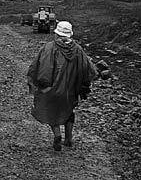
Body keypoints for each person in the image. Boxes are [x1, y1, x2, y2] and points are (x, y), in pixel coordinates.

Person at [27, 21, 97, 151]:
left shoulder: (49, 48)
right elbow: (89, 70)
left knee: (52, 111)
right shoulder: (78, 50)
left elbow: (43, 70)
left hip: (53, 89)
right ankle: (69, 139)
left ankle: (57, 135)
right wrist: (83, 85)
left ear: (56, 34)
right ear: (70, 35)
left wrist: (42, 85)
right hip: (71, 90)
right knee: (69, 111)